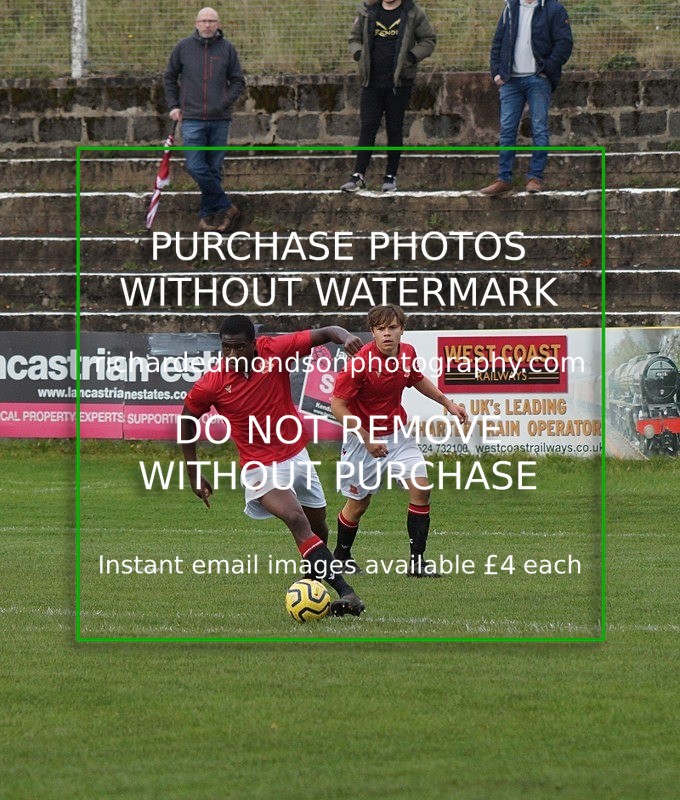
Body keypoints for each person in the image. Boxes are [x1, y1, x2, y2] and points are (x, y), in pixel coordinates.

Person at [179, 315, 366, 617]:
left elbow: (327, 331)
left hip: (296, 455)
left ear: (254, 344)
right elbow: (187, 420)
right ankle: (346, 592)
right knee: (295, 517)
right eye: (226, 348)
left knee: (318, 528)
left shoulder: (274, 350)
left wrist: (345, 338)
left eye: (239, 347)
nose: (232, 355)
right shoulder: (213, 382)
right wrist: (193, 472)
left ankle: (311, 588)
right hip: (259, 466)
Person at [330, 305, 468, 576]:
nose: (387, 333)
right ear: (372, 332)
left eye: (392, 327)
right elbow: (337, 405)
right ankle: (341, 557)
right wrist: (366, 437)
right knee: (358, 504)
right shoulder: (359, 363)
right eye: (380, 329)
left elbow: (416, 378)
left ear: (402, 329)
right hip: (363, 440)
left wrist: (447, 403)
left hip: (399, 434)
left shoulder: (407, 353)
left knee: (421, 489)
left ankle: (417, 563)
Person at [340, 0, 436, 193]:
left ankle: (390, 177)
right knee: (368, 127)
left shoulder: (412, 12)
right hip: (371, 83)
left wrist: (411, 57)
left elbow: (428, 40)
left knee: (394, 129)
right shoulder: (367, 11)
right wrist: (359, 54)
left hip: (399, 84)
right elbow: (354, 39)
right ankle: (358, 176)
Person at [164, 7, 245, 231]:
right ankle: (227, 206)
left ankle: (208, 217)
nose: (207, 25)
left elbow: (238, 81)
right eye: (203, 21)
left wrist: (223, 102)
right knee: (196, 166)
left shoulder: (227, 49)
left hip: (220, 119)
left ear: (218, 23)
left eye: (211, 21)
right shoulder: (183, 48)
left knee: (213, 169)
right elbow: (169, 78)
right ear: (196, 23)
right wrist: (174, 105)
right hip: (192, 119)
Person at [479, 0, 573, 195]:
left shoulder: (554, 9)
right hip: (510, 81)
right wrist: (496, 71)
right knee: (507, 130)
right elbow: (498, 42)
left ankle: (535, 178)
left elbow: (564, 43)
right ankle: (504, 178)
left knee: (539, 128)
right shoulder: (510, 8)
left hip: (538, 79)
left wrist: (547, 69)